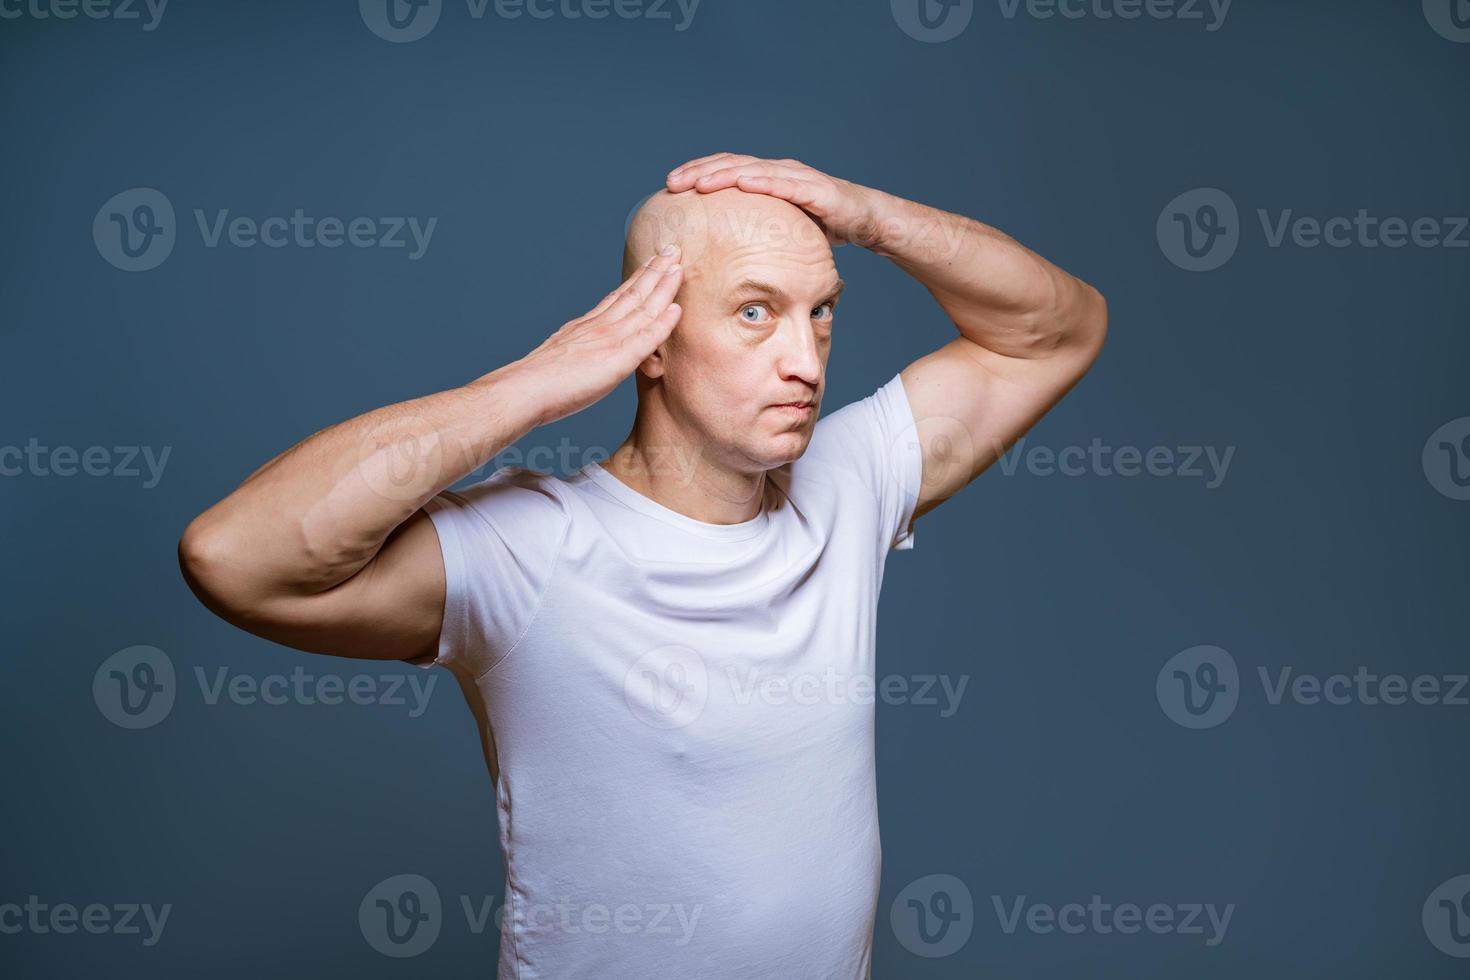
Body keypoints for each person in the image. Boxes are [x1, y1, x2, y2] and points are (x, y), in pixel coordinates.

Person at [178, 152, 1107, 978]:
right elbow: (235, 559)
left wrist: (864, 215)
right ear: (652, 339)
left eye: (819, 313)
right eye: (755, 312)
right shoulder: (532, 548)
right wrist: (530, 387)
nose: (805, 361)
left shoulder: (849, 484)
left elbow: (1055, 330)